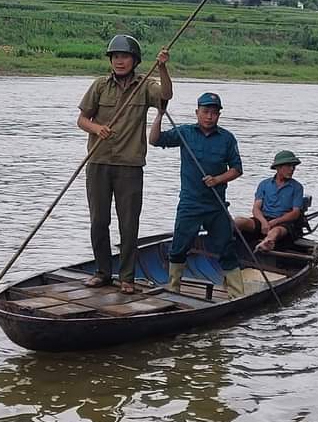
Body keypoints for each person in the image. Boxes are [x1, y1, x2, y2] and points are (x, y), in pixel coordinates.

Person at [77, 34, 172, 294]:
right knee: (99, 221)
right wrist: (97, 128)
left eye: (125, 57)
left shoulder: (146, 85)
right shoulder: (99, 85)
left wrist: (162, 67)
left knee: (128, 224)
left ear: (135, 60)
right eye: (116, 57)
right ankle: (102, 273)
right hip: (98, 162)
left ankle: (127, 277)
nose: (119, 61)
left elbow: (165, 97)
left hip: (130, 166)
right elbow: (82, 120)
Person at [148, 91, 246, 299]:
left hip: (216, 204)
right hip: (190, 203)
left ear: (218, 115)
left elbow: (237, 169)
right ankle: (173, 289)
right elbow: (155, 140)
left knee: (226, 249)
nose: (210, 116)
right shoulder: (185, 132)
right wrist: (159, 115)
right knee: (178, 248)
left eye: (214, 112)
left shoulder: (227, 138)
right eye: (205, 112)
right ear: (197, 112)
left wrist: (218, 179)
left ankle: (237, 294)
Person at [235, 150, 304, 252]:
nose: (292, 169)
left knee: (275, 231)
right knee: (239, 221)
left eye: (293, 166)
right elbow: (256, 208)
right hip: (263, 219)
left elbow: (295, 213)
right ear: (278, 167)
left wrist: (274, 222)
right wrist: (263, 222)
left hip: (283, 223)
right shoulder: (264, 184)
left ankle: (267, 243)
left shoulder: (297, 187)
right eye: (289, 166)